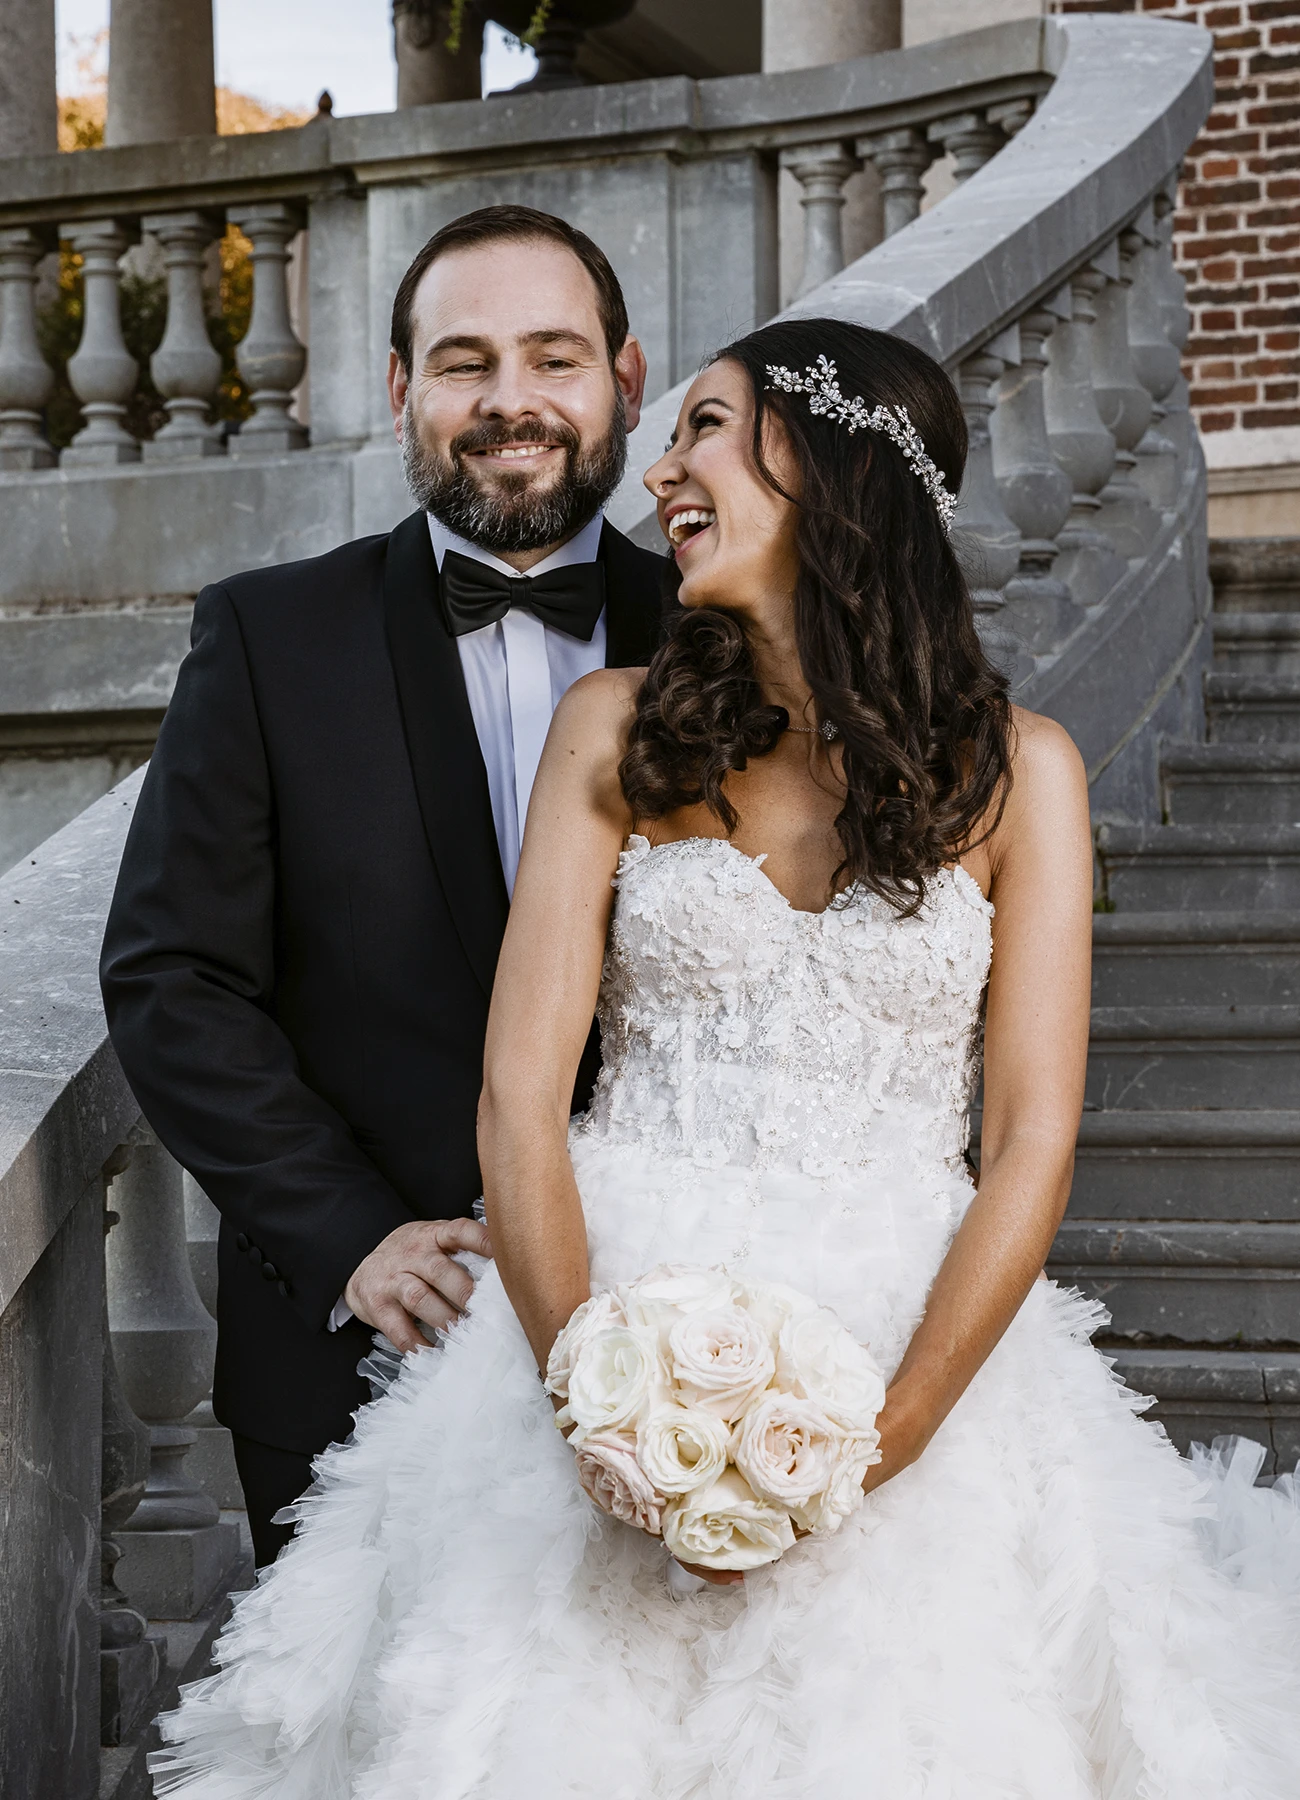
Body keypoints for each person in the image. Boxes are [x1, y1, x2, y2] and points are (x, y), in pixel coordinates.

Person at [148, 317, 1300, 1799]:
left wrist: (882, 1443)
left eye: (701, 426)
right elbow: (521, 1101)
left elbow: (1028, 1142)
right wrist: (596, 1412)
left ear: (826, 470)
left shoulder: (1029, 772)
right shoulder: (610, 730)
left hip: (913, 1346)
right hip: (598, 1302)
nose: (659, 477)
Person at [99, 205, 667, 1568]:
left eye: (554, 356)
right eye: (465, 362)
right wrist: (350, 1238)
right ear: (403, 389)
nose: (511, 401)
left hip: (689, 1337)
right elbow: (175, 980)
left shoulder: (739, 636)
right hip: (365, 1350)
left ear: (627, 381)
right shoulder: (269, 637)